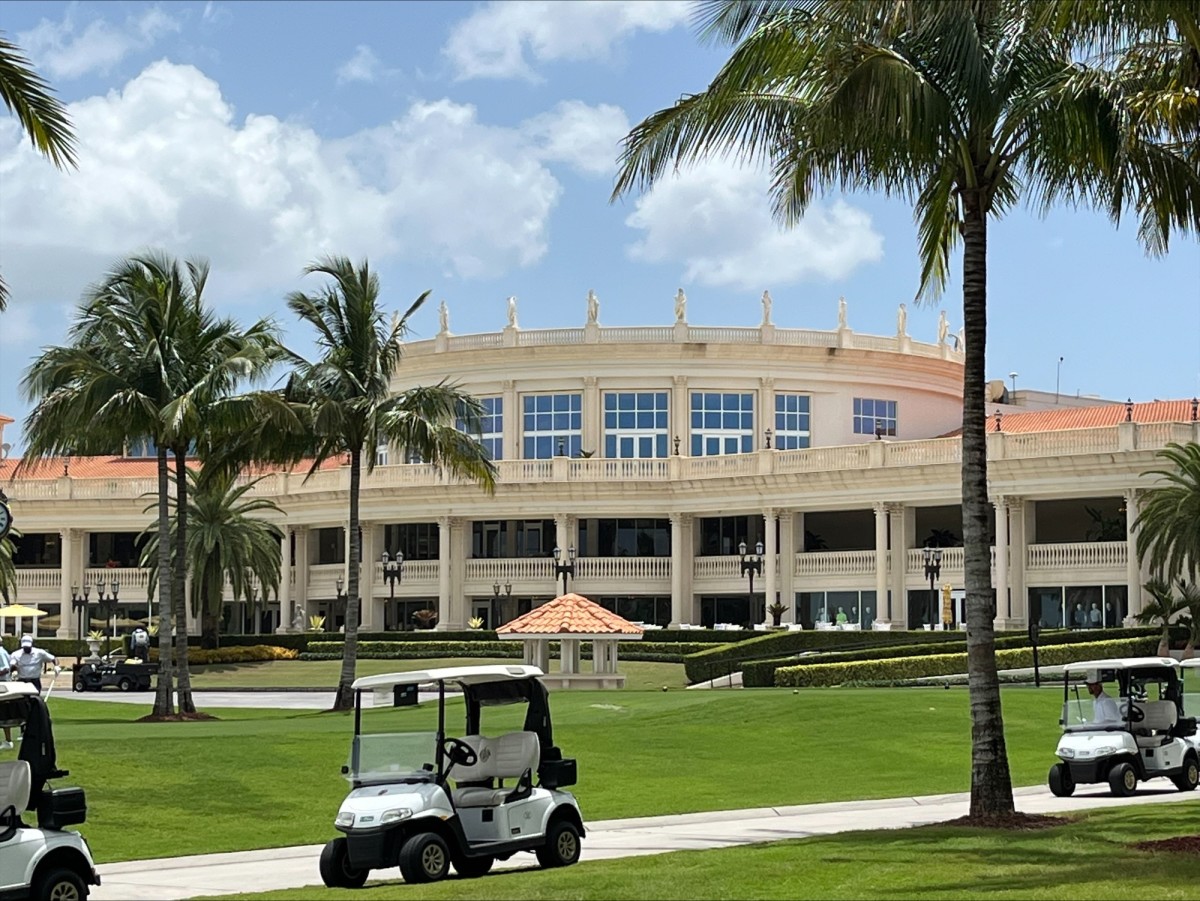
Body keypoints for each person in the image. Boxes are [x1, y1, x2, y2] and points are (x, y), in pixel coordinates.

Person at [0, 643, 13, 749]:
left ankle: (8, 740)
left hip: (2, 685)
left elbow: (6, 668)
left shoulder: (1, 652)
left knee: (3, 713)